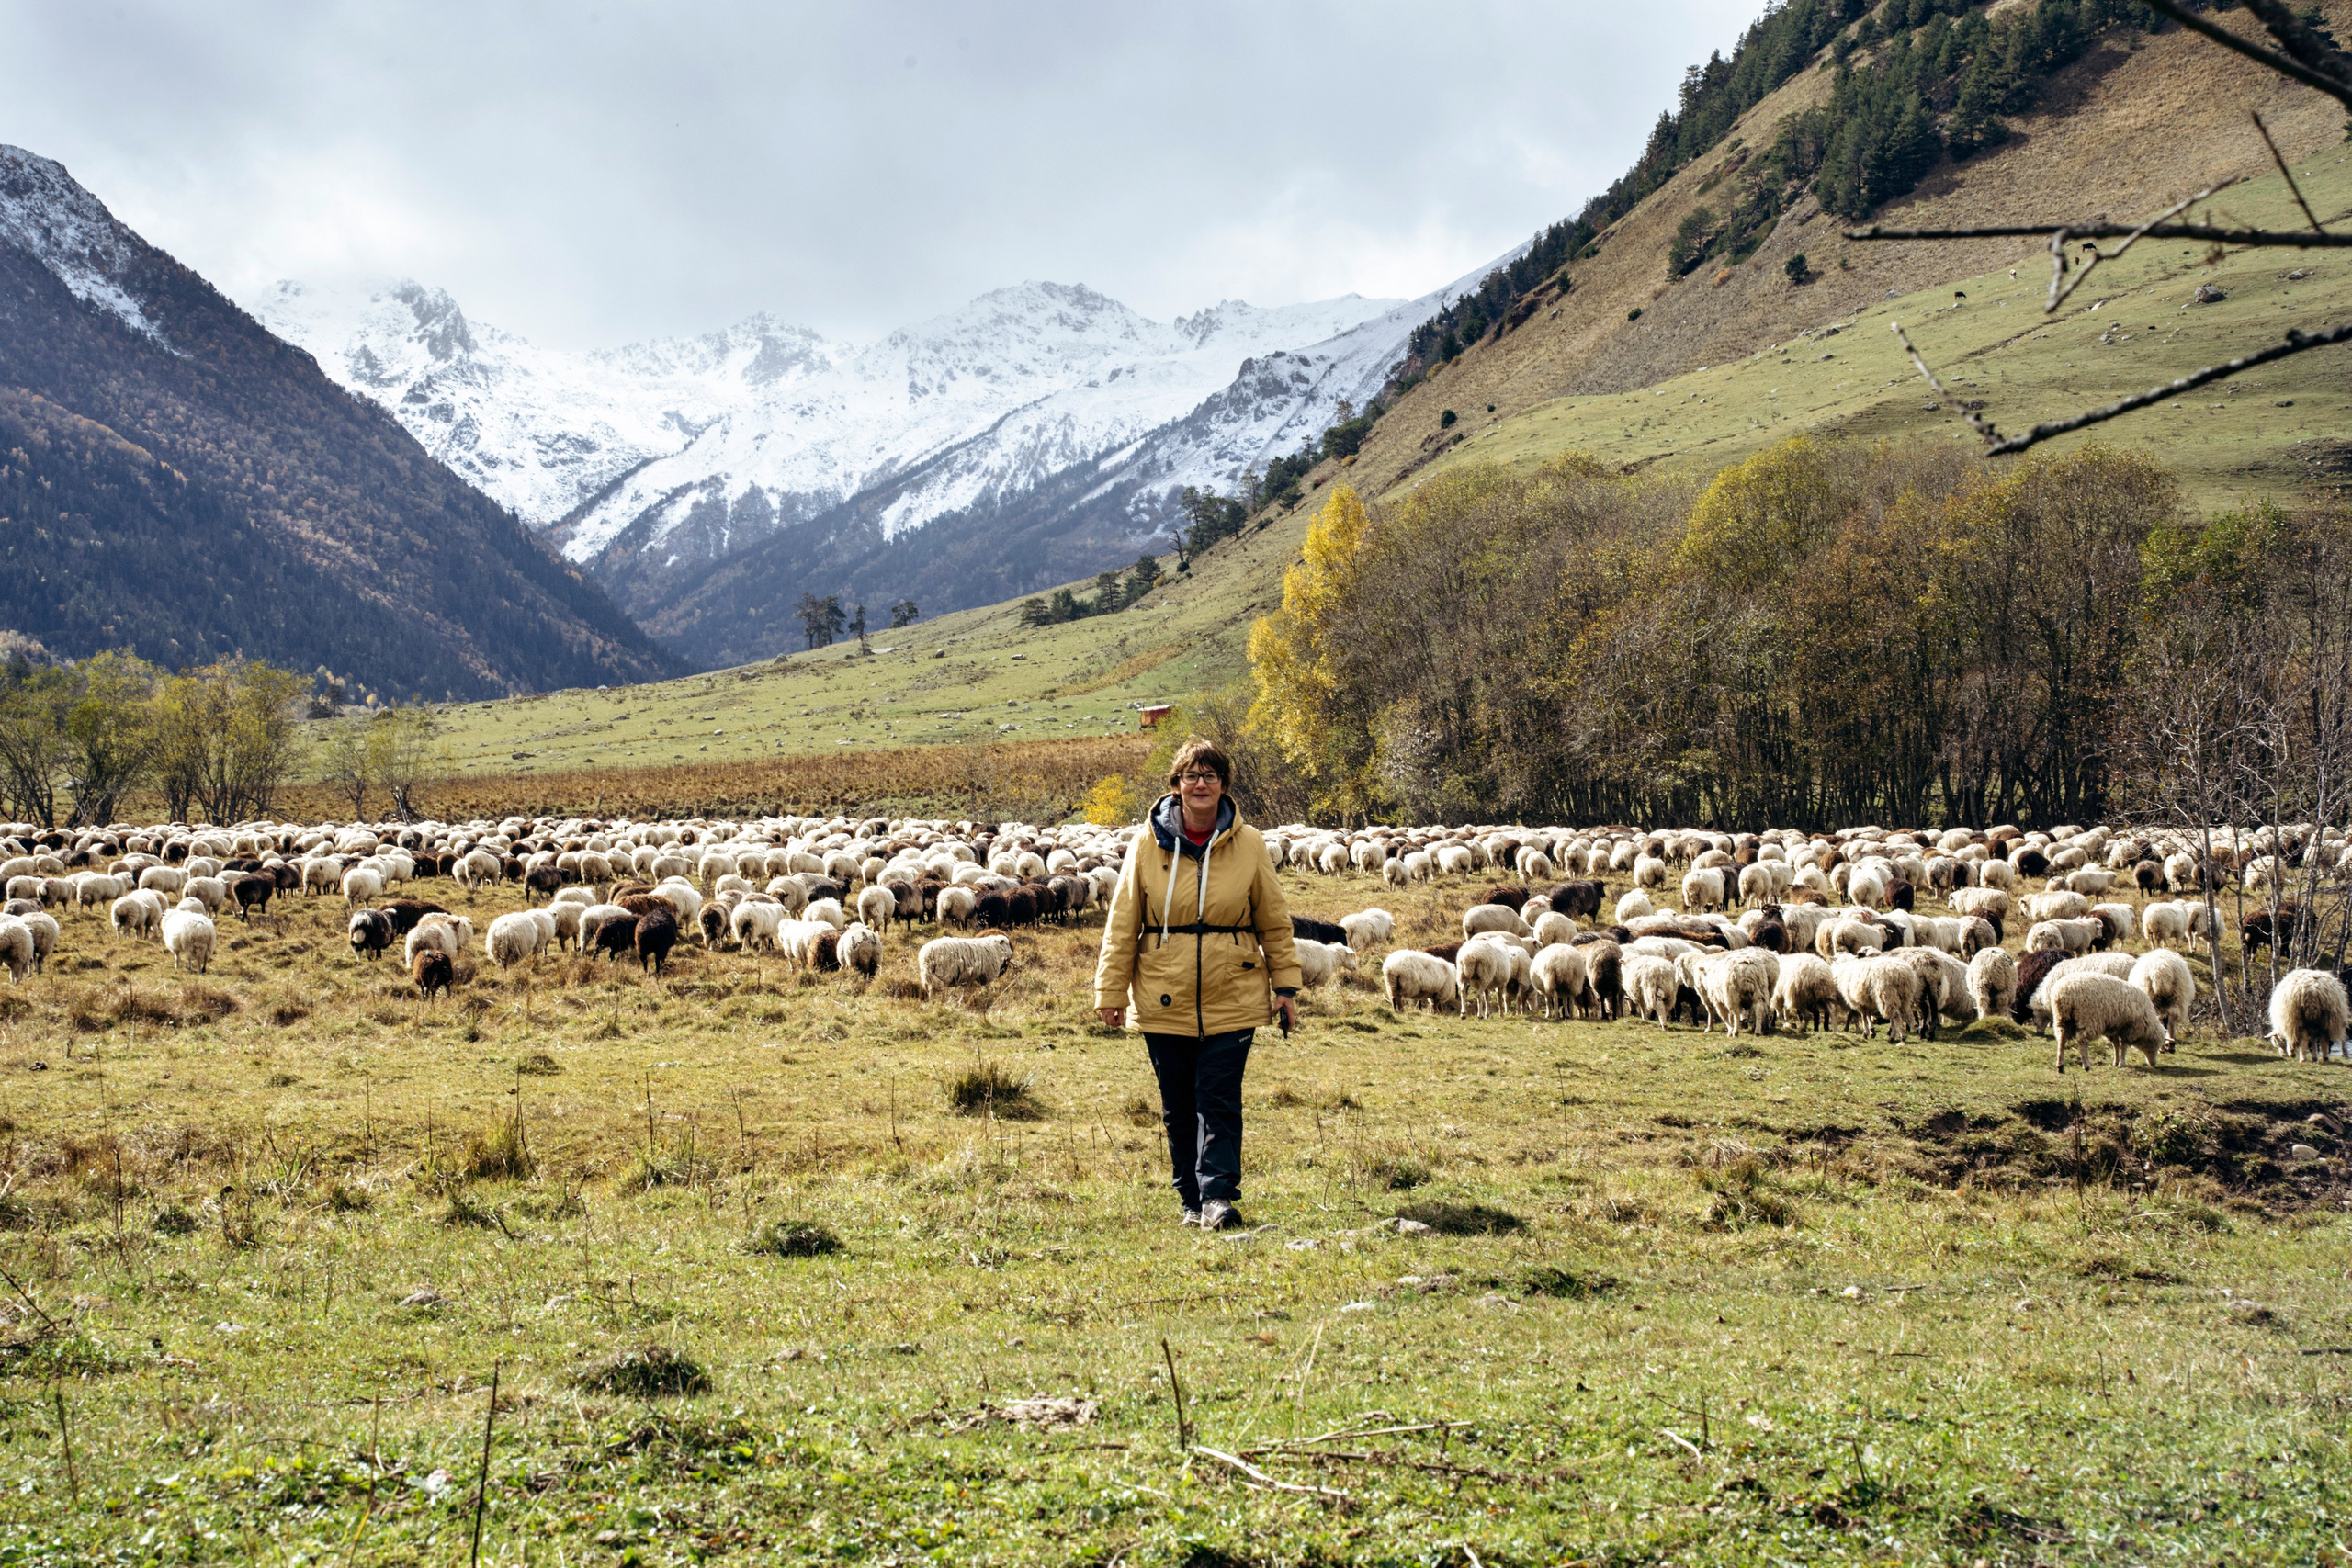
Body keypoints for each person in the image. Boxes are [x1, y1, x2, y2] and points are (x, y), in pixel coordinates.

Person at [1094, 738, 1301, 1231]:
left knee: (1220, 1099)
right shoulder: (1146, 844)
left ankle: (1218, 1197)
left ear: (1224, 785)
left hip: (1233, 988)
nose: (1200, 784)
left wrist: (1286, 986)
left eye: (1210, 776)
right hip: (1163, 990)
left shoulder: (1250, 844)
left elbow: (1274, 919)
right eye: (1191, 776)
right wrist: (1110, 991)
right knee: (1180, 1105)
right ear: (1176, 785)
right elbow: (1123, 922)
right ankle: (1191, 1199)